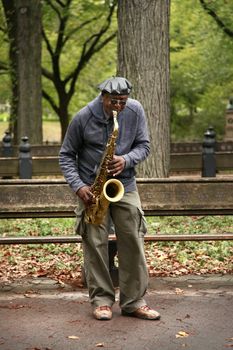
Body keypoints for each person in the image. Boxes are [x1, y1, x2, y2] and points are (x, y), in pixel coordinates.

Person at [59, 76, 161, 321]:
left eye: (122, 102)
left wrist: (126, 159)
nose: (118, 107)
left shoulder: (135, 111)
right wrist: (79, 186)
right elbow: (66, 155)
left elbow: (144, 146)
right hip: (92, 190)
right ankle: (102, 301)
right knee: (95, 245)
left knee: (133, 241)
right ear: (103, 96)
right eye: (114, 101)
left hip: (123, 184)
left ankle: (134, 301)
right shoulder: (83, 117)